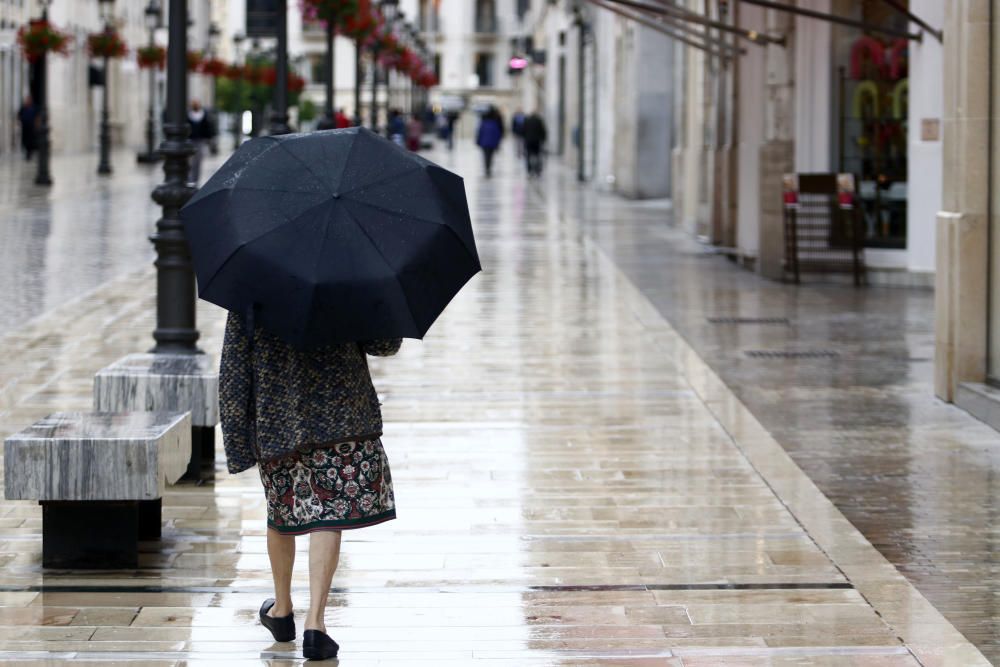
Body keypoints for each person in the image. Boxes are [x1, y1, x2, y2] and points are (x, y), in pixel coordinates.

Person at [221, 315, 402, 661]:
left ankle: (282, 608)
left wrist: (237, 442)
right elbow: (385, 344)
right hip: (343, 415)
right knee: (329, 514)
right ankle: (315, 624)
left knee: (282, 510)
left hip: (278, 418)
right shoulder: (349, 271)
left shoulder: (253, 278)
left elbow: (235, 367)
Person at [187, 99, 215, 185]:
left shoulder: (204, 115)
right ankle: (190, 178)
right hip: (190, 140)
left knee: (198, 160)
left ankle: (195, 179)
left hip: (200, 140)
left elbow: (208, 128)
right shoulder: (188, 115)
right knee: (190, 160)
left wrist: (209, 138)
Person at [476, 106, 504, 178]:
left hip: (484, 142)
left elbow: (480, 132)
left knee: (486, 156)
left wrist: (478, 141)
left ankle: (487, 169)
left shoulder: (484, 122)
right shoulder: (494, 123)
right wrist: (497, 143)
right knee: (490, 156)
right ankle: (488, 169)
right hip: (492, 143)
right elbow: (497, 134)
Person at [523, 110, 547, 177]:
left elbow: (523, 130)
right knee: (537, 156)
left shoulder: (527, 121)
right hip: (537, 141)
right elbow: (543, 131)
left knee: (528, 156)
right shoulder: (539, 121)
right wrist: (543, 139)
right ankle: (537, 170)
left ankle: (529, 170)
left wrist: (525, 137)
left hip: (528, 141)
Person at [17, 96, 38, 161]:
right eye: (27, 100)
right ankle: (27, 152)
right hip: (25, 127)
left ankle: (29, 154)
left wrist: (36, 124)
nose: (28, 101)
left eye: (29, 100)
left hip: (31, 128)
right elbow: (19, 115)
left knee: (30, 141)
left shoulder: (34, 107)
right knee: (25, 141)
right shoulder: (23, 108)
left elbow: (37, 116)